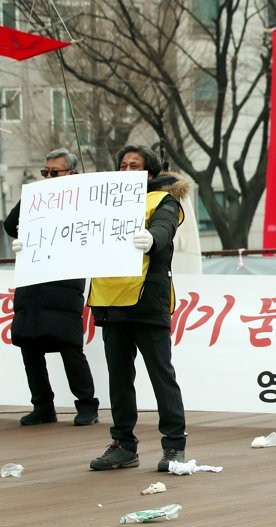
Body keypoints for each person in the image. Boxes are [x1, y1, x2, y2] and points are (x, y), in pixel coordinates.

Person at [87, 144, 189, 472]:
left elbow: (165, 227)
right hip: (109, 300)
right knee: (118, 378)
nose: (128, 170)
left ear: (150, 174)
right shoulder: (100, 202)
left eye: (136, 166)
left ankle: (174, 445)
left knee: (161, 375)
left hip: (147, 300)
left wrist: (153, 238)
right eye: (124, 164)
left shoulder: (163, 200)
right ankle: (123, 444)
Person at [4, 148, 99, 426]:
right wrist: (30, 200)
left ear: (71, 173)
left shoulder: (84, 201)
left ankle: (86, 405)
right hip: (33, 280)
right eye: (45, 172)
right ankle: (43, 405)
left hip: (64, 281)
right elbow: (11, 225)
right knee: (29, 343)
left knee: (69, 345)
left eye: (54, 172)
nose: (48, 176)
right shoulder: (36, 197)